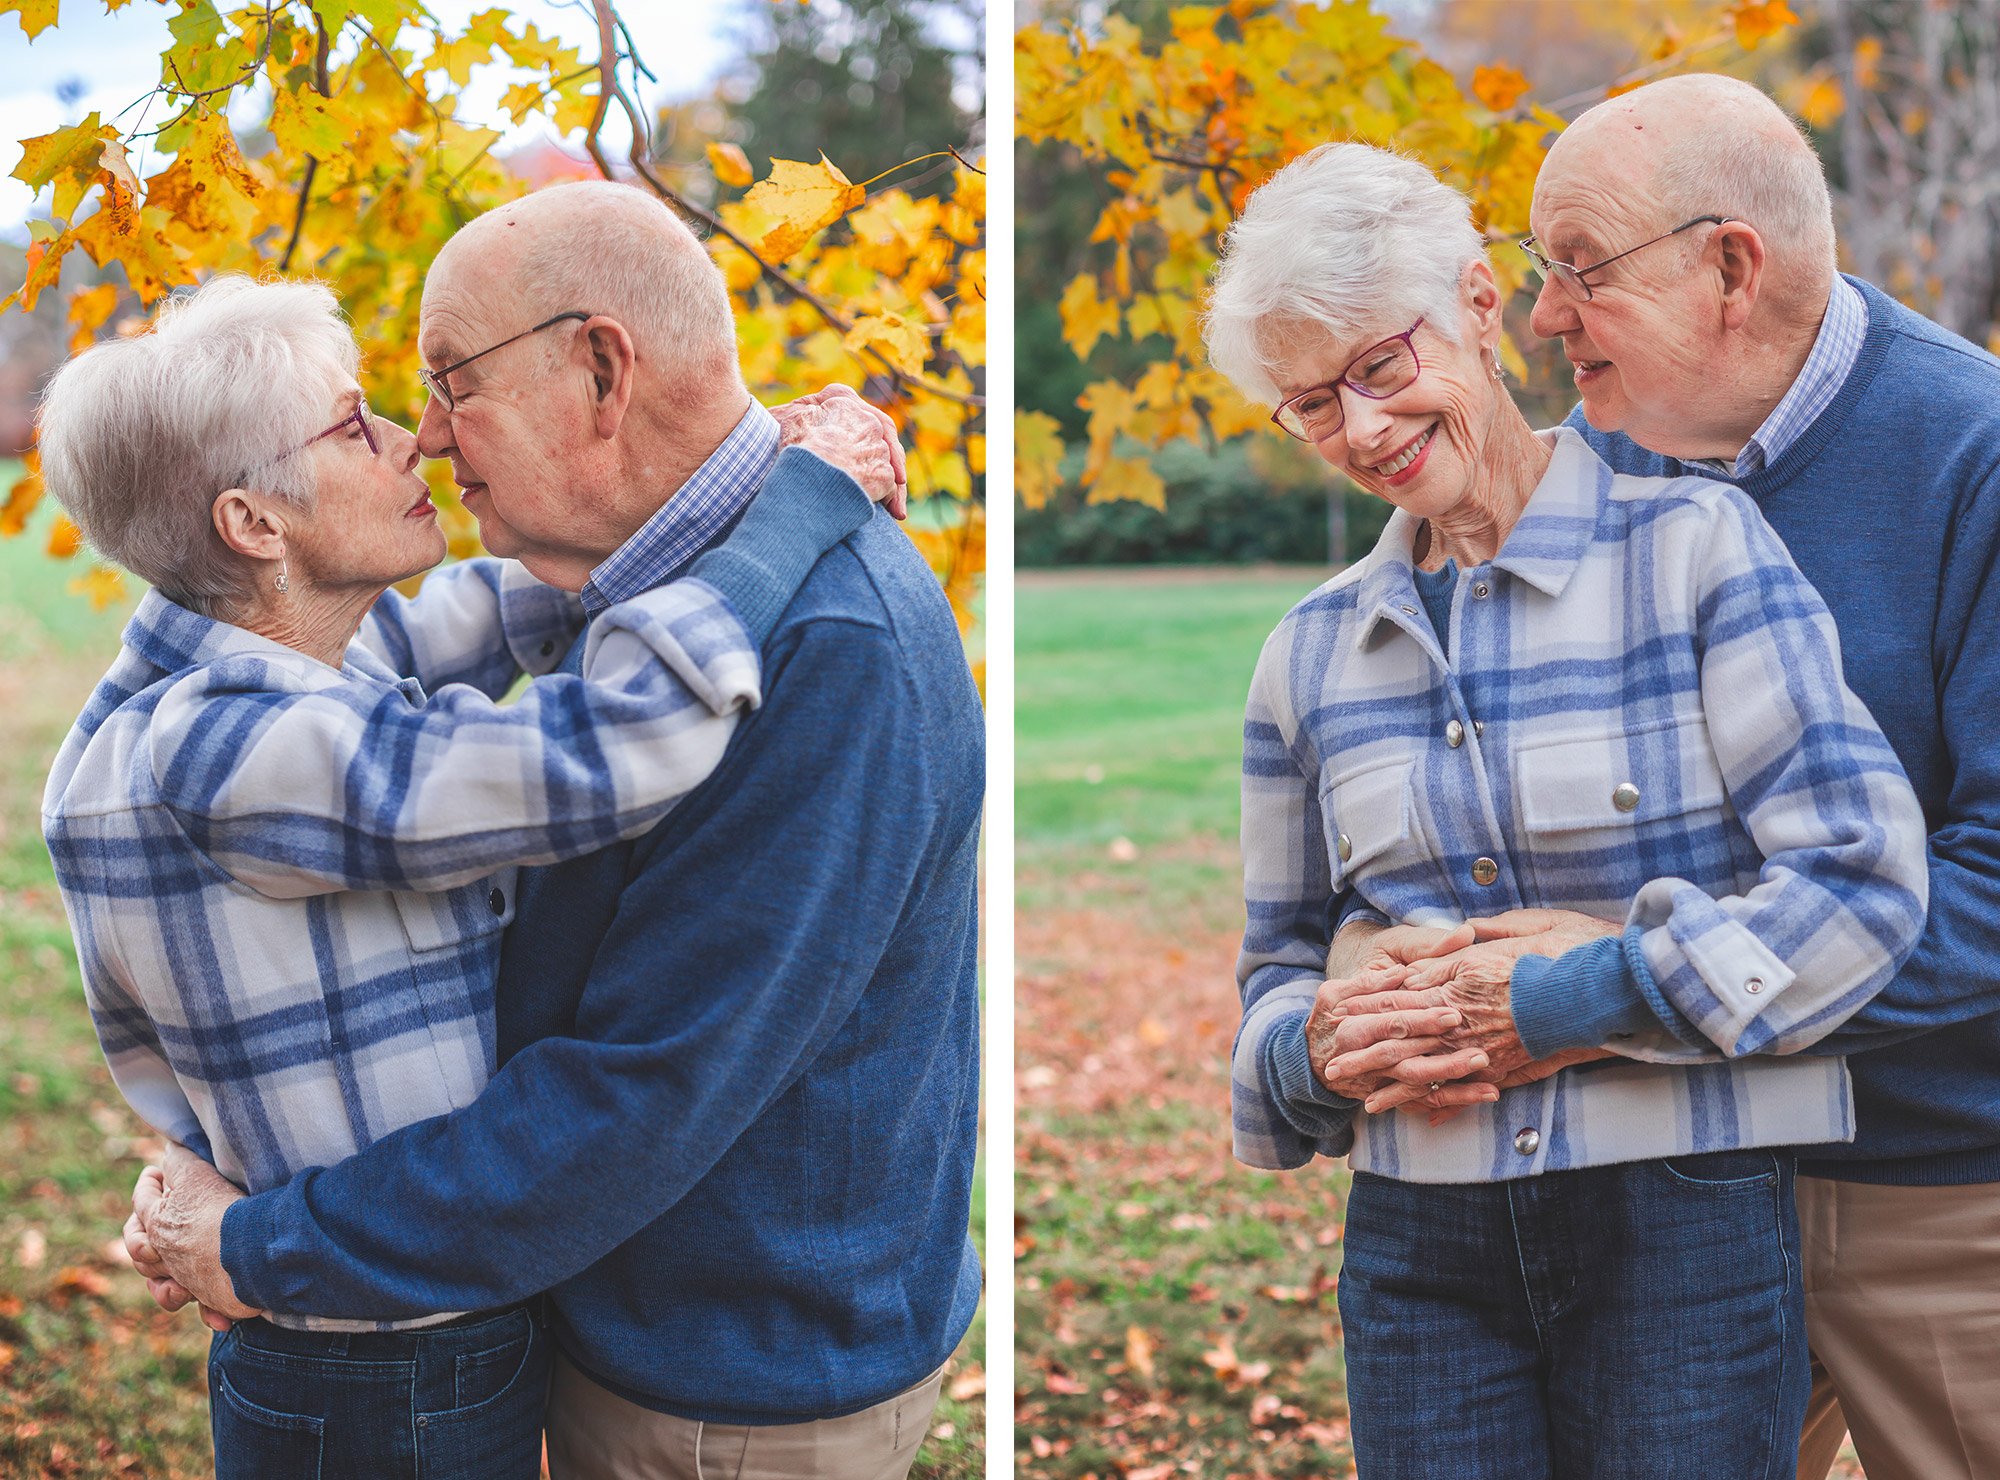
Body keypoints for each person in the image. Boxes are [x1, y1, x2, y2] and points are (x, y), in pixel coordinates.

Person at [130, 181, 984, 1480]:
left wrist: (255, 1250)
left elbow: (629, 1100)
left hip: (724, 1401)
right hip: (654, 1336)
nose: (422, 436)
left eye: (449, 383)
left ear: (600, 369)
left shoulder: (819, 654)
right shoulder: (670, 593)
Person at [1209, 141, 1928, 1478]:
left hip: (1687, 1226)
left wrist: (1572, 997)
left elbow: (1862, 886)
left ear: (1482, 306)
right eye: (1312, 404)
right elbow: (1272, 980)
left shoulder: (1698, 552)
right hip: (1420, 1248)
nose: (1360, 430)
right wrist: (1312, 1053)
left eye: (1380, 366)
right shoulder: (1306, 658)